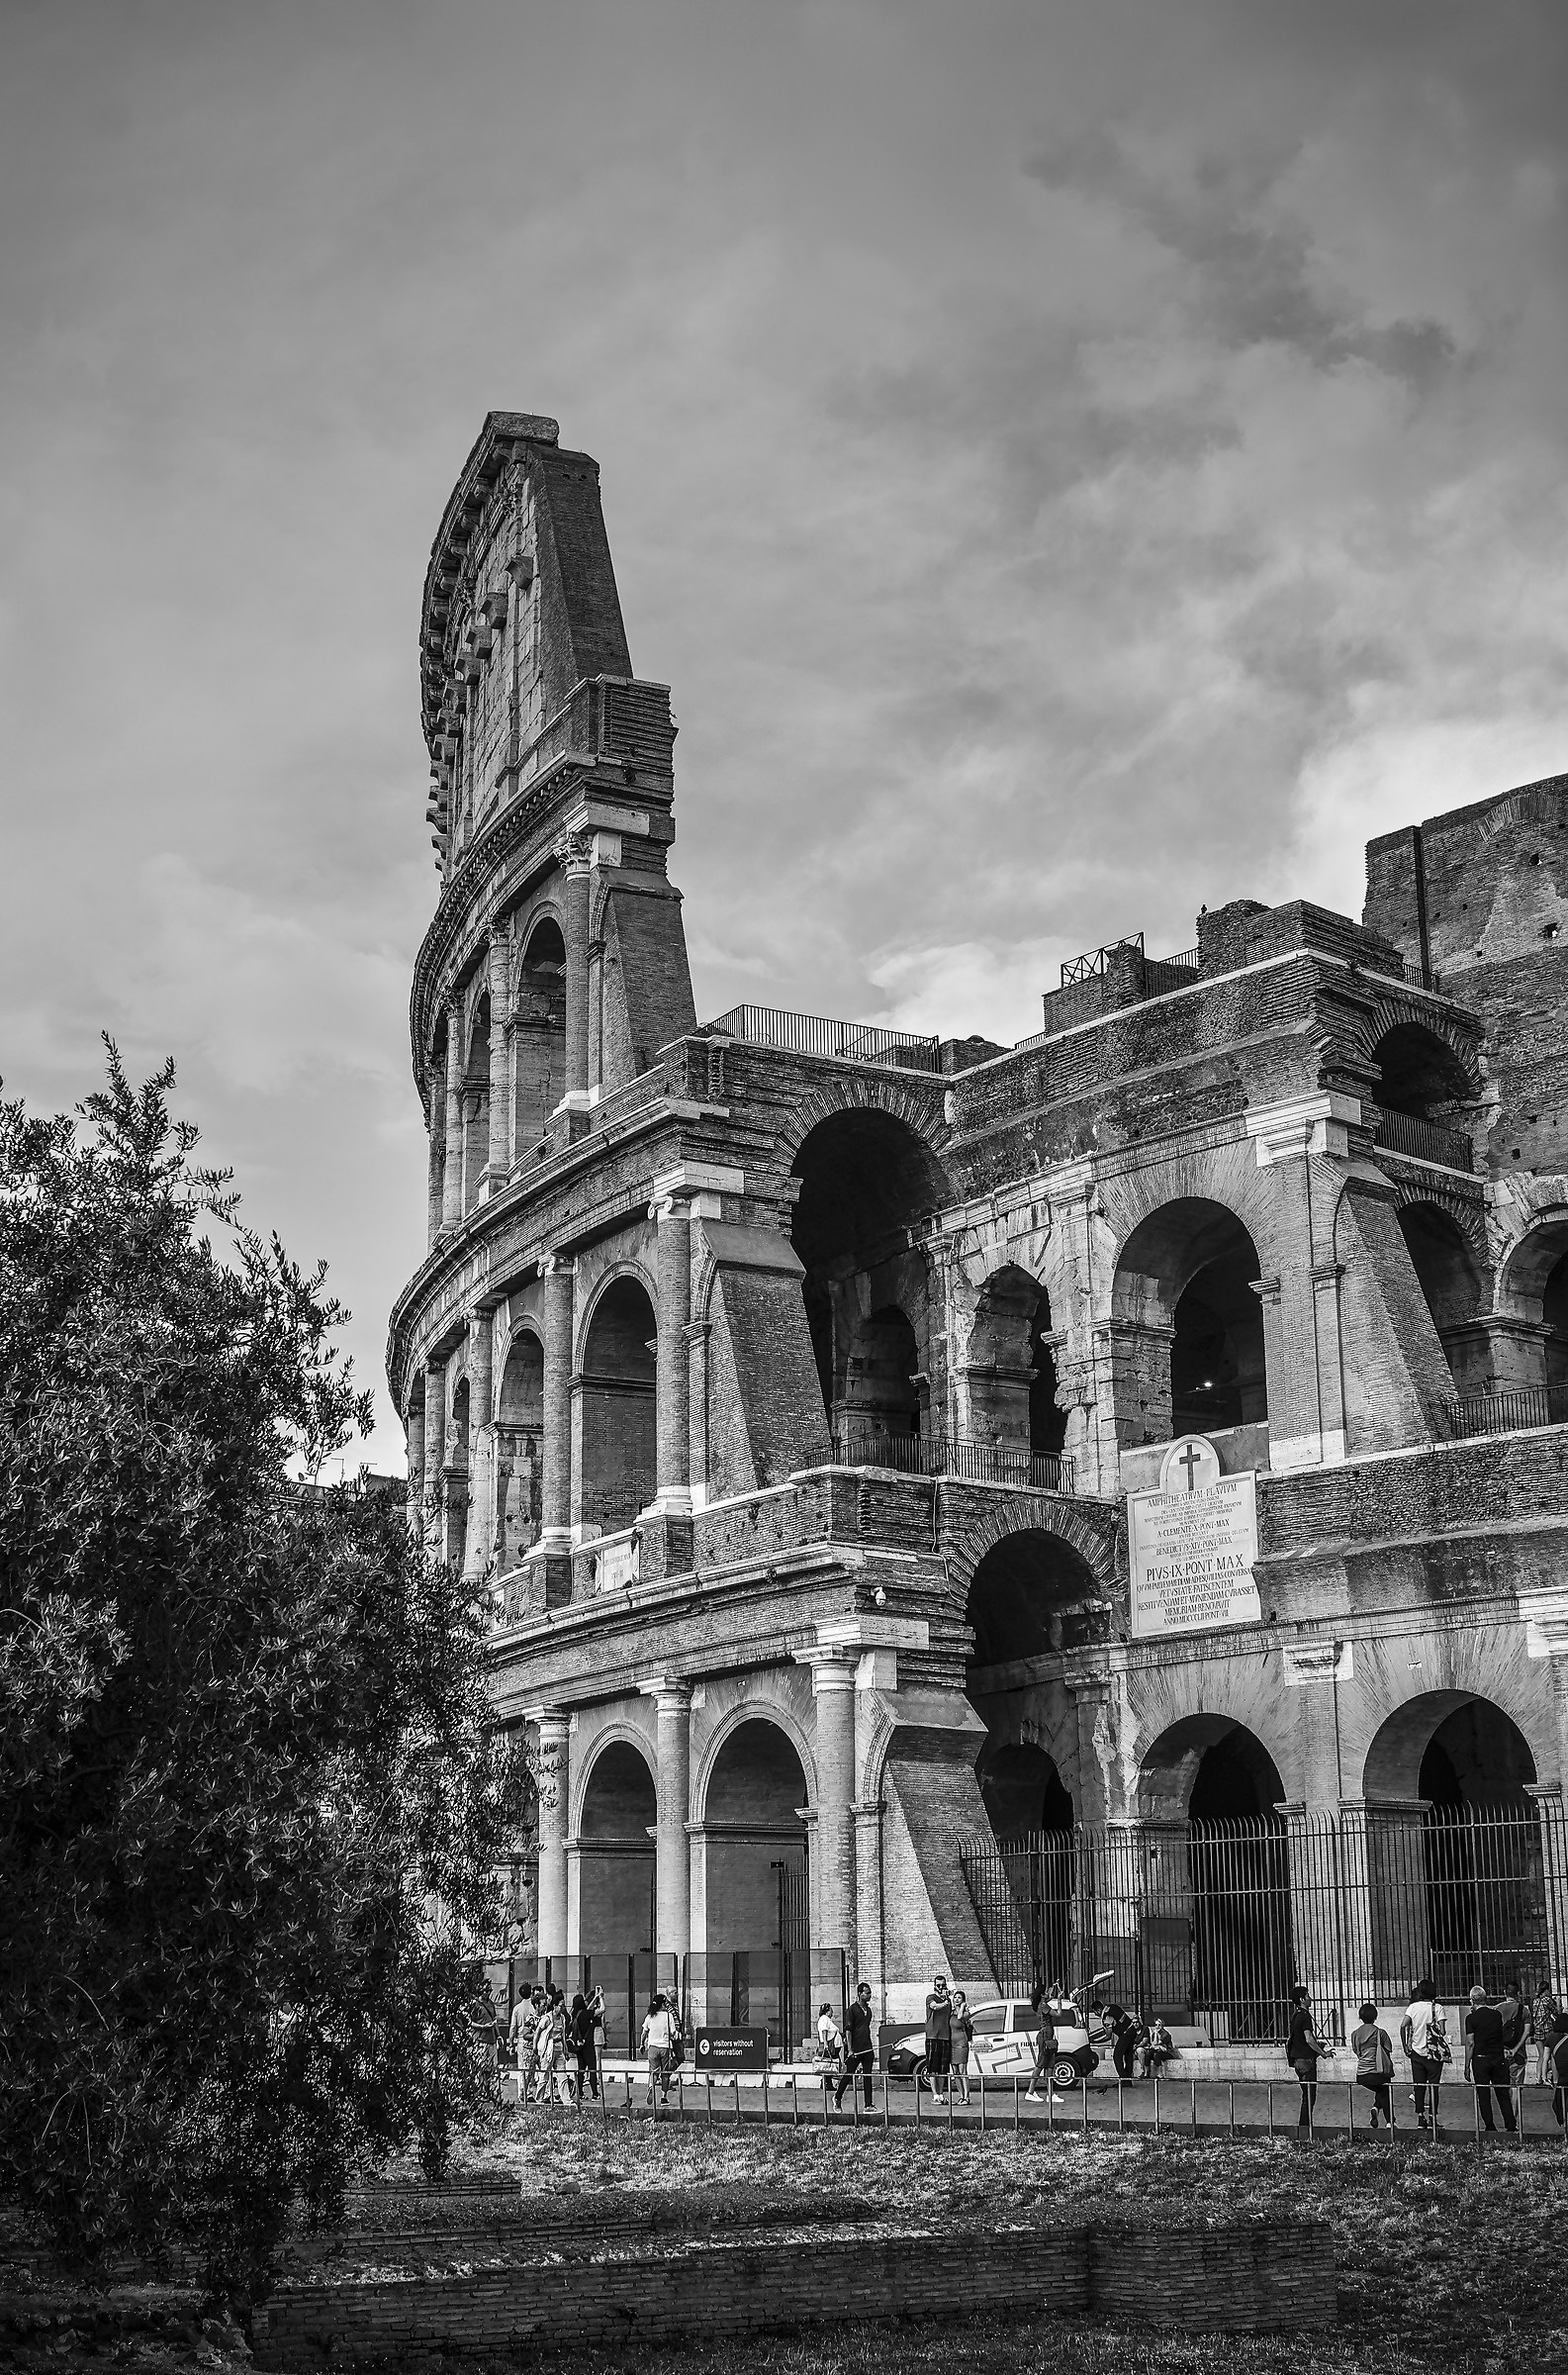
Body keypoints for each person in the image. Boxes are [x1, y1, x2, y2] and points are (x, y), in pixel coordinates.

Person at [1464, 1985, 1518, 2134]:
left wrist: (1467, 2065)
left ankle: (1490, 2126)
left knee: (1484, 2094)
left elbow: (1470, 2043)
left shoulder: (1471, 2019)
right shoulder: (1496, 2015)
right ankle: (1511, 2124)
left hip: (1481, 2059)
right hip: (1497, 2057)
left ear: (1472, 2001)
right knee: (1502, 2093)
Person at [1400, 1975, 1447, 2134]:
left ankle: (1420, 2118)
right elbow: (1442, 2031)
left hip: (1416, 2054)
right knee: (1434, 2087)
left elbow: (1403, 2026)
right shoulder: (1438, 2008)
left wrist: (1405, 2046)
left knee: (1419, 2087)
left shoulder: (1412, 2008)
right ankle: (1433, 2117)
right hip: (1433, 2055)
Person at [1287, 1984, 1330, 2136]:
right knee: (1309, 2097)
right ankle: (1304, 2130)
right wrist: (1323, 2053)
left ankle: (1304, 2128)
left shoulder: (1295, 2016)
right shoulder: (1305, 2016)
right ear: (1302, 1999)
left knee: (1306, 2095)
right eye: (1307, 1996)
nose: (1310, 1998)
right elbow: (1309, 2039)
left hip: (1297, 2060)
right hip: (1306, 2061)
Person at [1350, 2000, 1396, 2128]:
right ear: (1375, 2016)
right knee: (1385, 2089)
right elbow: (1388, 2049)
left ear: (1360, 2017)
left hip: (1361, 2075)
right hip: (1377, 2072)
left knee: (1381, 2090)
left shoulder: (1355, 2034)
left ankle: (1376, 2108)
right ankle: (1389, 2122)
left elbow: (1356, 2052)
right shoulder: (1380, 2033)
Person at [1024, 1980, 1067, 2106]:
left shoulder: (1040, 2003)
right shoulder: (1044, 2005)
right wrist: (1059, 2000)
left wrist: (1054, 1988)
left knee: (1049, 2065)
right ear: (1043, 1994)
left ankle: (1050, 2093)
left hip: (1046, 2036)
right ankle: (1030, 2092)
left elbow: (1050, 1996)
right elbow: (1058, 2014)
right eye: (1047, 1991)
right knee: (1040, 2064)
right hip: (1045, 2036)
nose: (1049, 1993)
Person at [837, 1980, 876, 2111]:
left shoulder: (868, 2011)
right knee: (849, 2074)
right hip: (855, 2049)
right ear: (859, 1994)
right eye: (866, 1993)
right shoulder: (851, 2010)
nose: (869, 1995)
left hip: (867, 2047)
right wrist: (850, 2049)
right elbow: (848, 2030)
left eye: (870, 1993)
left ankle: (868, 2104)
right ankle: (837, 2097)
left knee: (867, 2076)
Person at [641, 1989, 676, 2106]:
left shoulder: (650, 2016)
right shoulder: (668, 2016)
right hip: (664, 2047)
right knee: (665, 2073)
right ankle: (664, 2098)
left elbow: (644, 2033)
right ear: (662, 2005)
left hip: (652, 2048)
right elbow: (673, 2033)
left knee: (653, 2072)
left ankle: (651, 2086)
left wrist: (642, 2044)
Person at [923, 1974, 953, 2104]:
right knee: (933, 2068)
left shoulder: (949, 2001)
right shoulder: (931, 1998)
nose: (941, 1987)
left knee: (943, 2068)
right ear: (935, 1986)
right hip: (933, 2036)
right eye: (938, 1985)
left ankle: (941, 2094)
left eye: (943, 1985)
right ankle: (935, 2094)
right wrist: (945, 2002)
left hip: (945, 2036)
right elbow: (934, 2006)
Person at [570, 1989, 600, 2105]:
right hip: (588, 2046)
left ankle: (580, 2092)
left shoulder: (576, 2014)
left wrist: (595, 1997)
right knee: (592, 2069)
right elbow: (601, 2010)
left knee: (581, 2069)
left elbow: (589, 2008)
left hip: (579, 2046)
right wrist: (600, 1998)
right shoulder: (585, 2014)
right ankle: (595, 2094)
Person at [1101, 1997, 1141, 2083]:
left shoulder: (1107, 2016)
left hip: (1125, 2034)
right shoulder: (1112, 2007)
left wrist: (1096, 2041)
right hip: (1132, 2030)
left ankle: (1123, 2079)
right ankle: (1128, 2079)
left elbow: (1108, 2035)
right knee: (1128, 2054)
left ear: (1097, 2010)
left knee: (1117, 2055)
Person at [508, 1987, 540, 2092]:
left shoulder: (517, 2008)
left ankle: (522, 2092)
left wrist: (511, 2042)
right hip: (535, 2038)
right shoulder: (535, 2006)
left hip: (522, 2039)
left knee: (522, 2067)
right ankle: (529, 2091)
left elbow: (513, 2027)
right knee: (531, 2068)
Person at [1531, 1979, 1561, 2087]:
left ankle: (1539, 2078)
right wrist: (1557, 2003)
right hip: (1548, 2031)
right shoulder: (1547, 2000)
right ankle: (1554, 2079)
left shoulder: (1535, 2001)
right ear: (1547, 1990)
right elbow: (1557, 2012)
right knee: (1551, 2055)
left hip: (1537, 2031)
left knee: (1541, 2056)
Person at [951, 1988, 974, 2106]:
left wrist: (963, 2006)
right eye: (955, 1997)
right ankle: (960, 2096)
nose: (956, 1999)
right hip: (952, 2045)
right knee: (955, 2071)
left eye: (959, 1998)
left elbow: (960, 2017)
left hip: (961, 2043)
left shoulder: (966, 2013)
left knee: (962, 2071)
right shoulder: (950, 2013)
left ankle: (967, 2097)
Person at [1142, 2015, 1175, 2082]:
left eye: (1159, 2025)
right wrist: (1157, 2045)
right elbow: (1153, 2044)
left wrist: (1156, 2036)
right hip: (1158, 2051)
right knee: (1148, 2054)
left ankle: (1160, 2073)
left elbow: (1157, 2043)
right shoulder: (1154, 2034)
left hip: (1167, 2053)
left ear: (1162, 2026)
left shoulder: (1165, 2034)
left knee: (1157, 2055)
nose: (1157, 2027)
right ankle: (1146, 2072)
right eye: (1156, 2025)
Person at [816, 1999, 844, 2074]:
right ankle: (826, 2083)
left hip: (833, 2045)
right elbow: (824, 2031)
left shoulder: (827, 2019)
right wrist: (826, 2044)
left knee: (831, 2064)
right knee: (830, 2064)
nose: (832, 2012)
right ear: (827, 2011)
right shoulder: (824, 2018)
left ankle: (828, 2083)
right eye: (831, 2010)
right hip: (831, 2045)